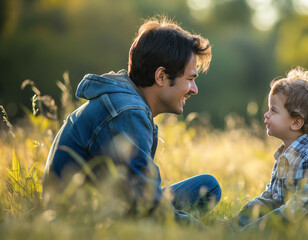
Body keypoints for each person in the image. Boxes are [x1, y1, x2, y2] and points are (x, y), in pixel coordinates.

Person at [43, 16, 221, 224]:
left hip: (109, 205)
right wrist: (206, 231)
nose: (194, 89)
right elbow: (145, 206)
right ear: (161, 76)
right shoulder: (127, 111)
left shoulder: (127, 103)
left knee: (208, 188)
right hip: (84, 221)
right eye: (190, 79)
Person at [232, 66, 308, 230]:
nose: (266, 114)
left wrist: (256, 228)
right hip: (291, 224)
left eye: (273, 110)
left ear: (296, 122)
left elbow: (304, 206)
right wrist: (239, 222)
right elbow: (272, 197)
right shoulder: (285, 156)